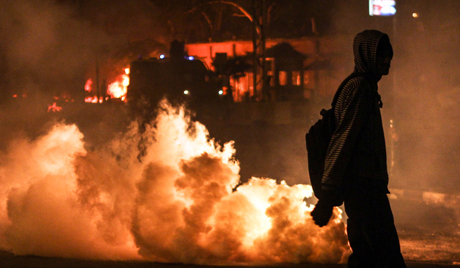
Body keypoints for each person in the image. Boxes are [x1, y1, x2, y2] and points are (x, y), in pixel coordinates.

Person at [310, 29, 406, 267]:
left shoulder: (365, 88)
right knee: (382, 256)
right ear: (366, 55)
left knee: (370, 256)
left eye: (389, 55)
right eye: (380, 55)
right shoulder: (359, 89)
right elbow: (343, 140)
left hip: (367, 189)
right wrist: (327, 196)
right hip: (363, 191)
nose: (387, 61)